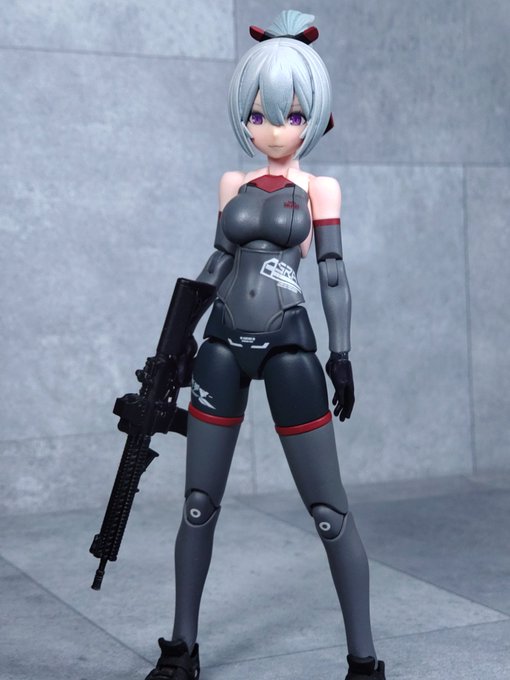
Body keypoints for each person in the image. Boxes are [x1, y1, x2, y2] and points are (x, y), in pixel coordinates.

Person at [145, 10, 386, 680]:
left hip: (287, 349)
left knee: (328, 511)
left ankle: (364, 660)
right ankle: (182, 648)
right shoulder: (233, 185)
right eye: (258, 115)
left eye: (290, 115)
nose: (273, 129)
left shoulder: (318, 188)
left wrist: (341, 353)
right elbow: (215, 264)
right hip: (221, 344)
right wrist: (174, 345)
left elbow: (331, 273)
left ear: (314, 116)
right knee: (199, 503)